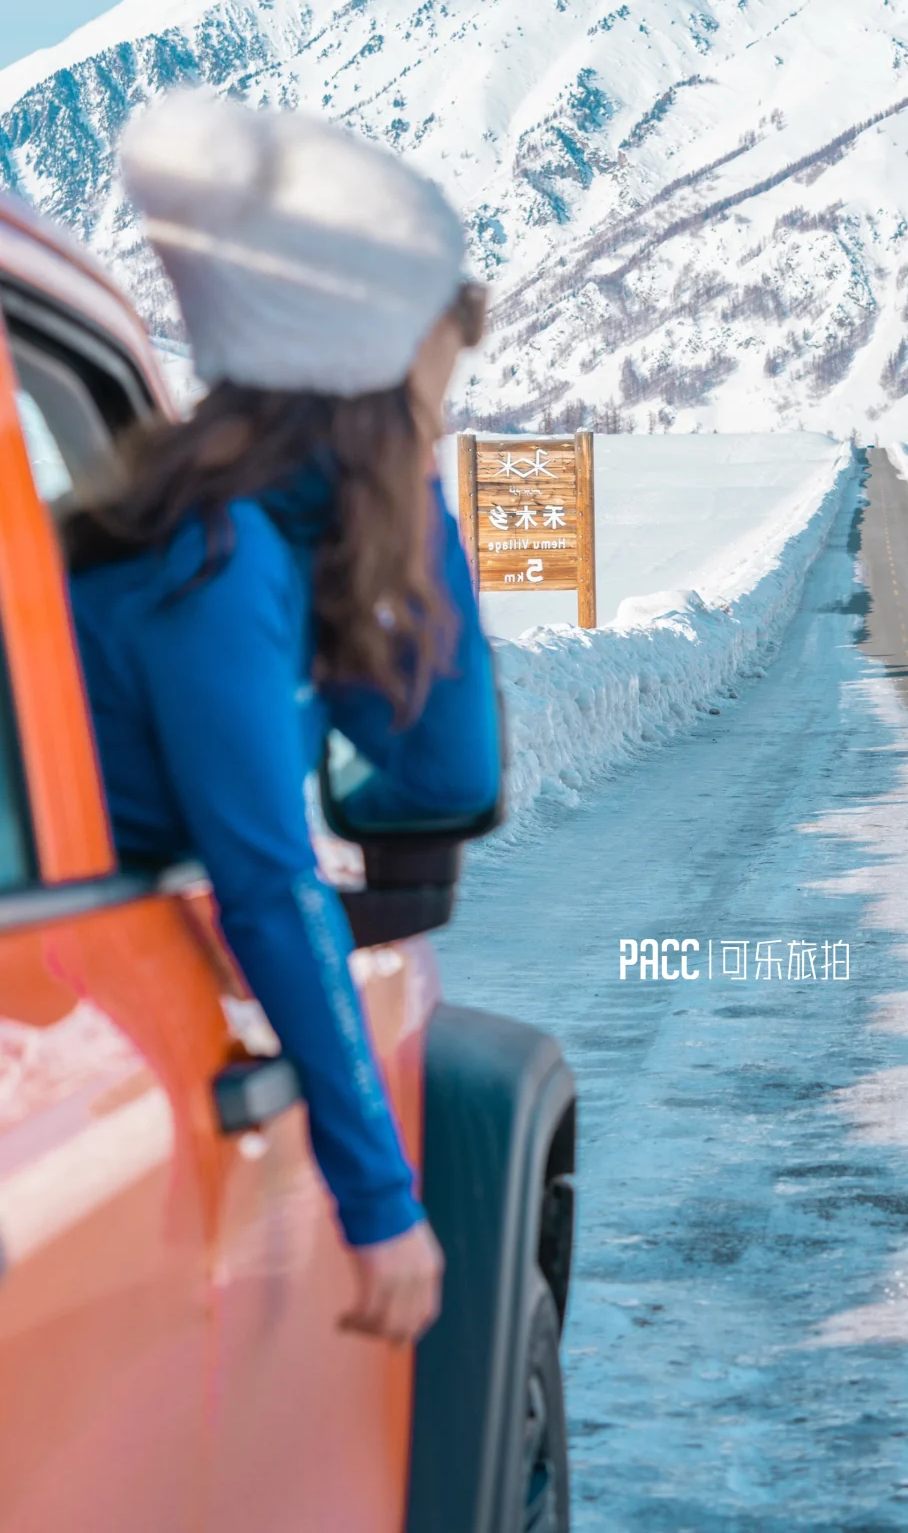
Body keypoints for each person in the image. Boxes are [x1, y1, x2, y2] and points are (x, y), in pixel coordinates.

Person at [64, 89, 501, 1346]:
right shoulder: (212, 570)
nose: (441, 418)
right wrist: (379, 1203)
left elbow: (433, 756)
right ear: (368, 391)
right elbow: (269, 881)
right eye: (432, 386)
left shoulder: (243, 542)